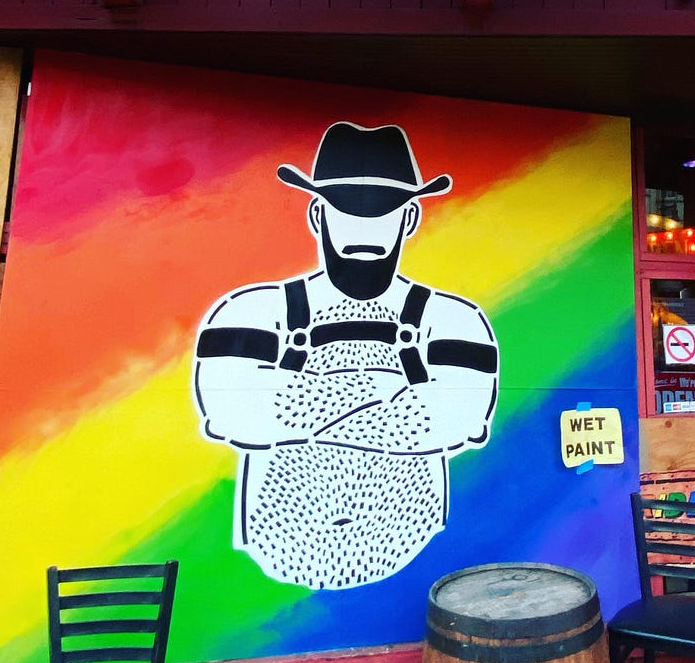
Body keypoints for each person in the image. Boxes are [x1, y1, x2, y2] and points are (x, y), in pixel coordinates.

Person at [193, 122, 499, 589]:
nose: (364, 228)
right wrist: (385, 399)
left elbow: (453, 419)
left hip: (414, 557)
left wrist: (296, 406)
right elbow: (233, 411)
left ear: (409, 219)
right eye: (346, 210)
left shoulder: (455, 319)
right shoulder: (250, 310)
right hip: (275, 554)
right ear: (317, 216)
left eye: (383, 211)